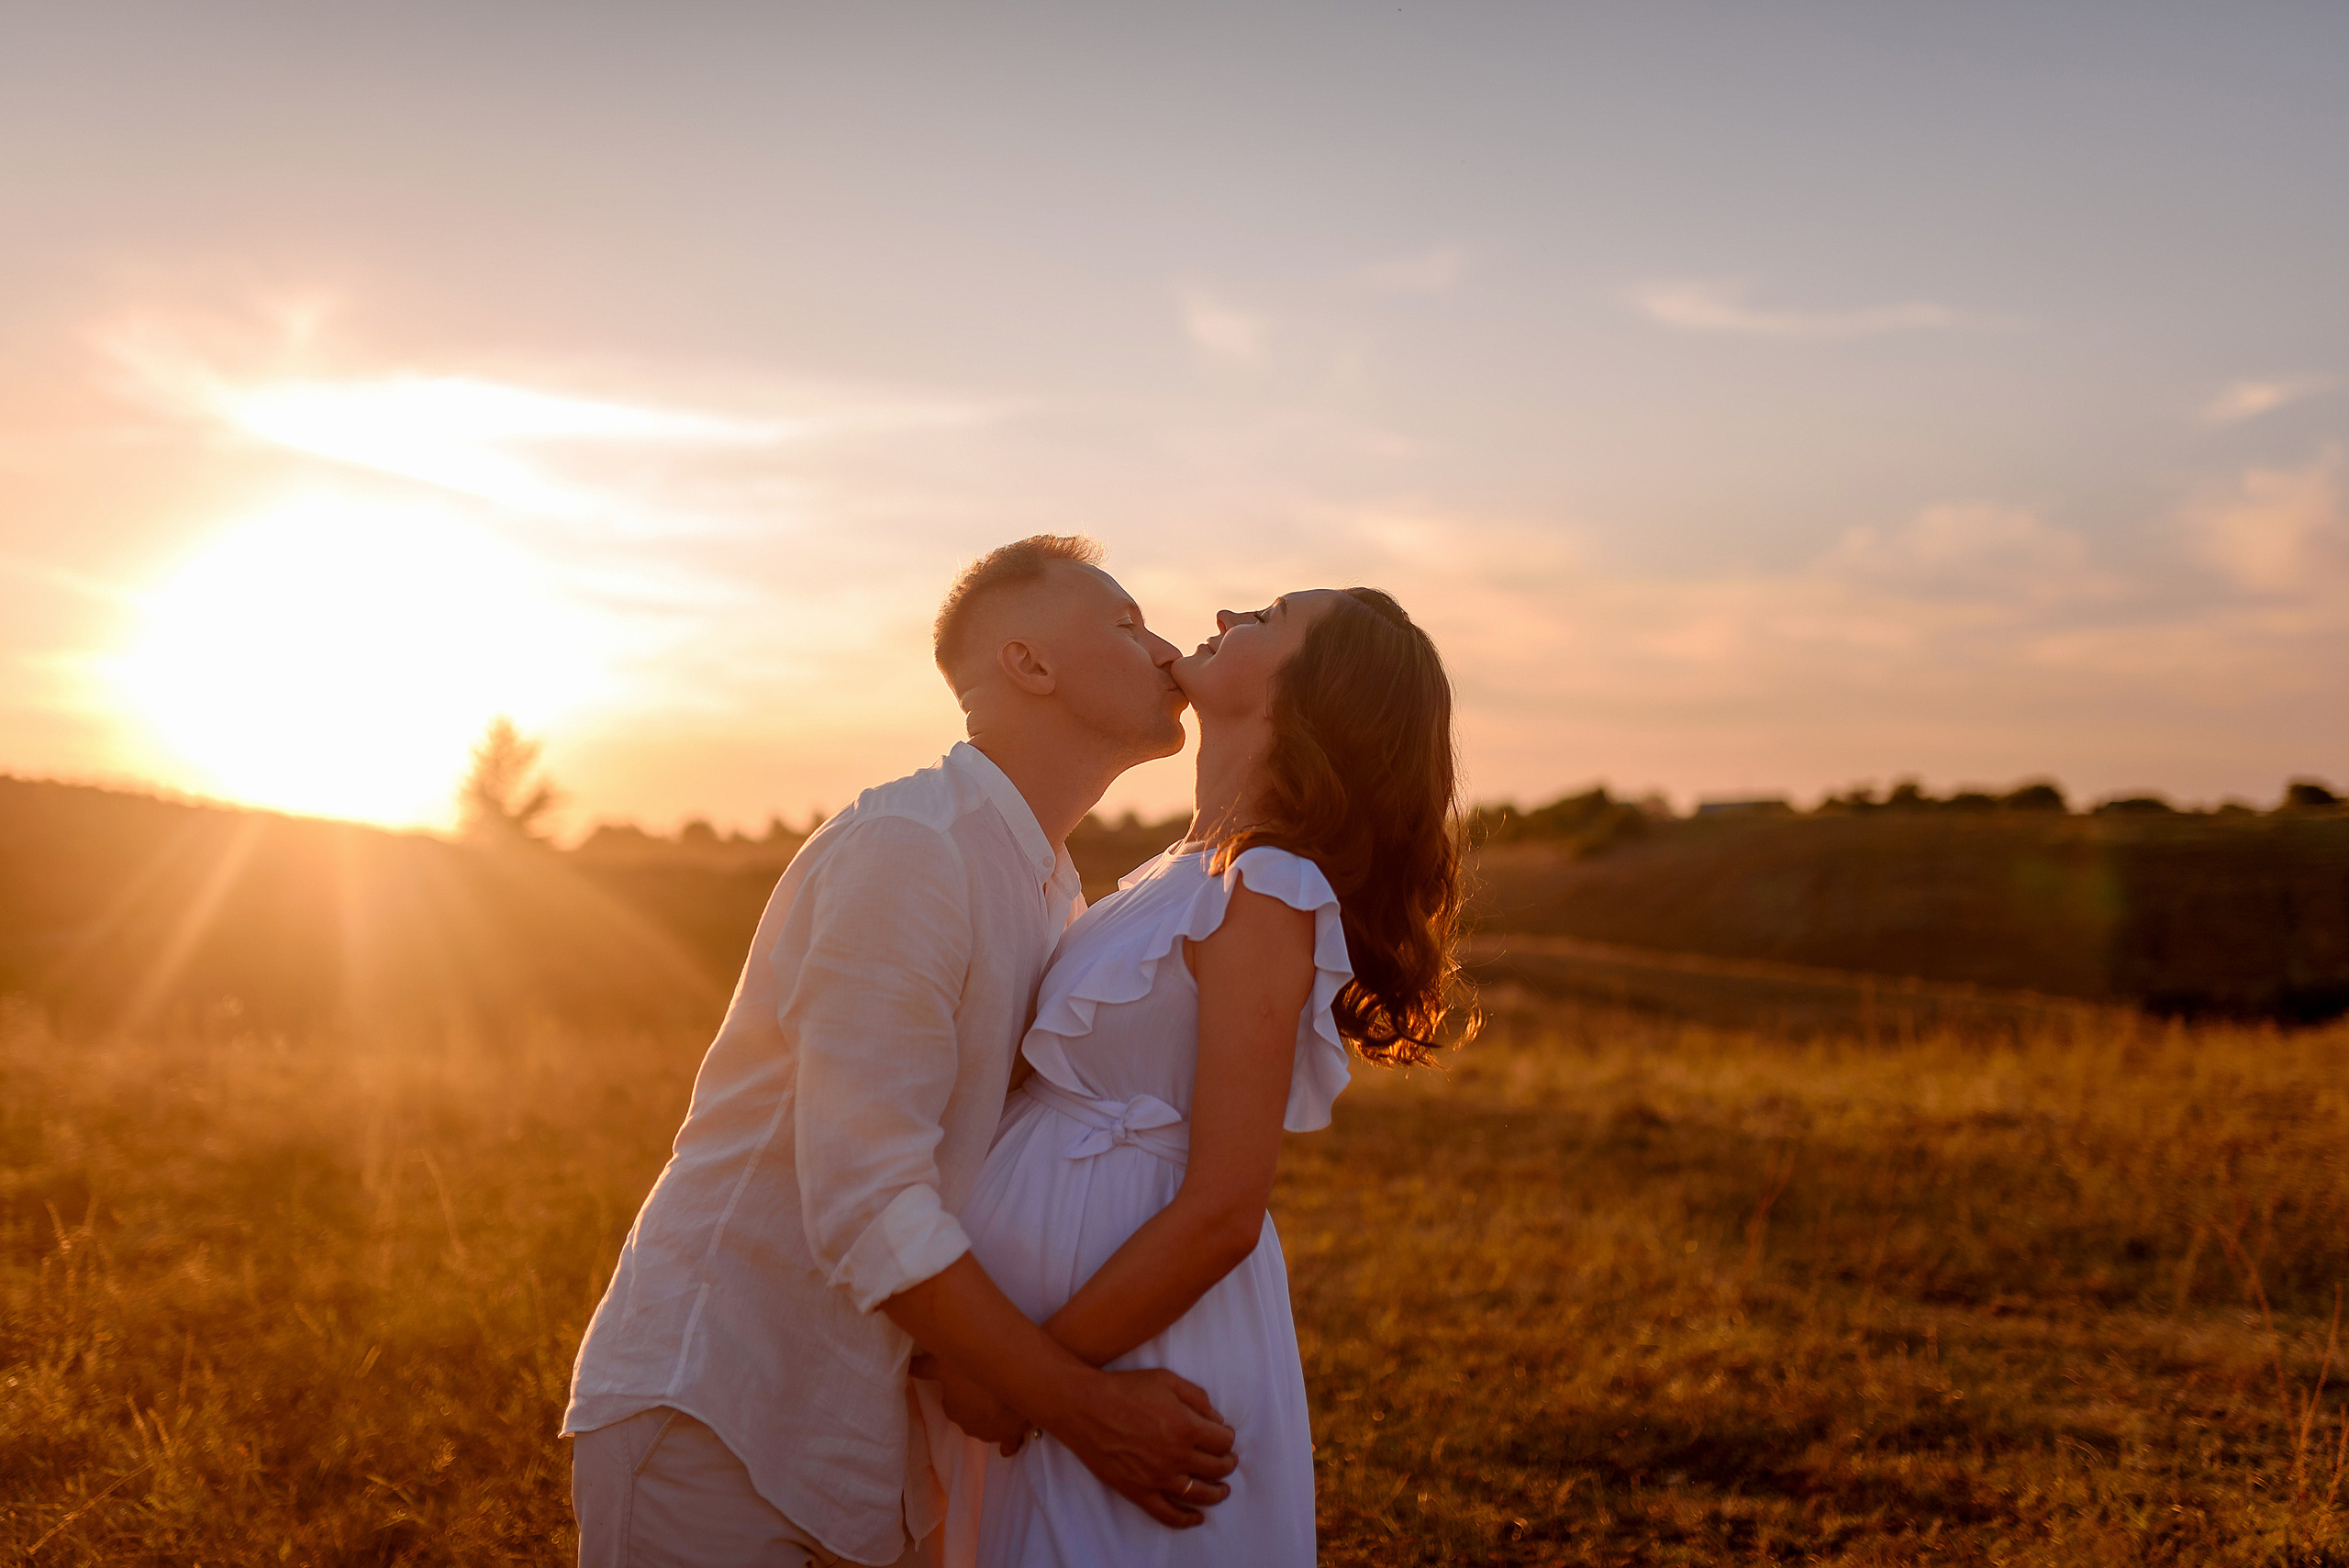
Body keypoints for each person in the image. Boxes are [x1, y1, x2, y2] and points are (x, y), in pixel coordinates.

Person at [563, 536, 1241, 1568]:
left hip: (880, 1444)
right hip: (723, 1416)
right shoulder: (910, 848)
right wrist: (1085, 1407)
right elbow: (866, 1194)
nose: (1162, 650)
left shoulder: (1048, 883)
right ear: (1029, 664)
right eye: (1123, 620)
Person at [922, 587, 1470, 1566]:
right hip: (1056, 1347)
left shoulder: (1266, 888)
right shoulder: (1183, 869)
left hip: (1131, 1339)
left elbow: (1225, 1205)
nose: (1223, 609)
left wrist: (1030, 1379)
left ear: (1309, 690)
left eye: (1266, 615)